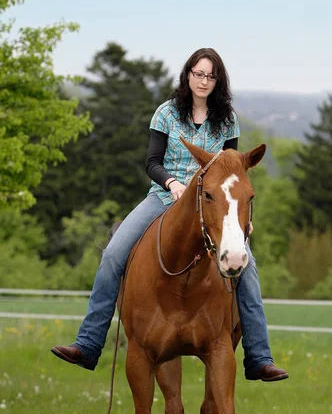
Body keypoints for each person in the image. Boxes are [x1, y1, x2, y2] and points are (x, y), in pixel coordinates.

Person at [51, 48, 288, 383]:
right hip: (165, 197)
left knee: (248, 269)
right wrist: (172, 182)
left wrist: (241, 219)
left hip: (212, 206)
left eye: (210, 75)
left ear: (217, 80)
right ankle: (89, 343)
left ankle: (259, 357)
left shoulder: (228, 119)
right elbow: (152, 162)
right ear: (187, 75)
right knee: (112, 255)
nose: (203, 81)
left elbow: (235, 172)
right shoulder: (165, 114)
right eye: (198, 73)